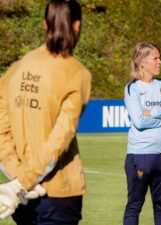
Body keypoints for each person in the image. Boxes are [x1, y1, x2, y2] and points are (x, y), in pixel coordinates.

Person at [0, 0, 91, 224]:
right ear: (77, 26)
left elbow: (2, 132)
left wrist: (18, 178)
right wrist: (24, 183)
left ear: (45, 24)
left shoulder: (16, 68)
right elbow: (58, 141)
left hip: (22, 193)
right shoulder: (76, 73)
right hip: (58, 192)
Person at [123, 42, 161, 225]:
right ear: (142, 62)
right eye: (155, 58)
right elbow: (139, 121)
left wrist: (156, 112)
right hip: (140, 154)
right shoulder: (133, 88)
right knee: (135, 205)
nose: (160, 62)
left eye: (159, 58)